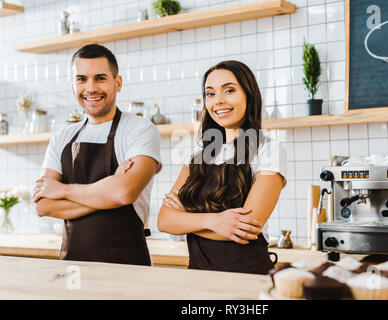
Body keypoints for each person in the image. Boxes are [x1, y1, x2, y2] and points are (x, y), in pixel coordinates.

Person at [33, 44, 162, 266]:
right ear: (73, 86)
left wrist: (63, 191)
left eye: (100, 78)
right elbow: (43, 205)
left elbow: (123, 193)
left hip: (127, 269)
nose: (90, 88)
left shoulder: (140, 130)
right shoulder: (62, 138)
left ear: (117, 83)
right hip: (72, 268)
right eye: (82, 79)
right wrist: (107, 192)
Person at [157, 60, 287, 274]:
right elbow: (164, 221)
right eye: (210, 93)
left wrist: (186, 218)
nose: (218, 101)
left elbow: (246, 227)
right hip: (198, 278)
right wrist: (215, 221)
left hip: (247, 280)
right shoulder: (197, 156)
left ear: (249, 94)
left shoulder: (268, 150)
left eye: (229, 90)